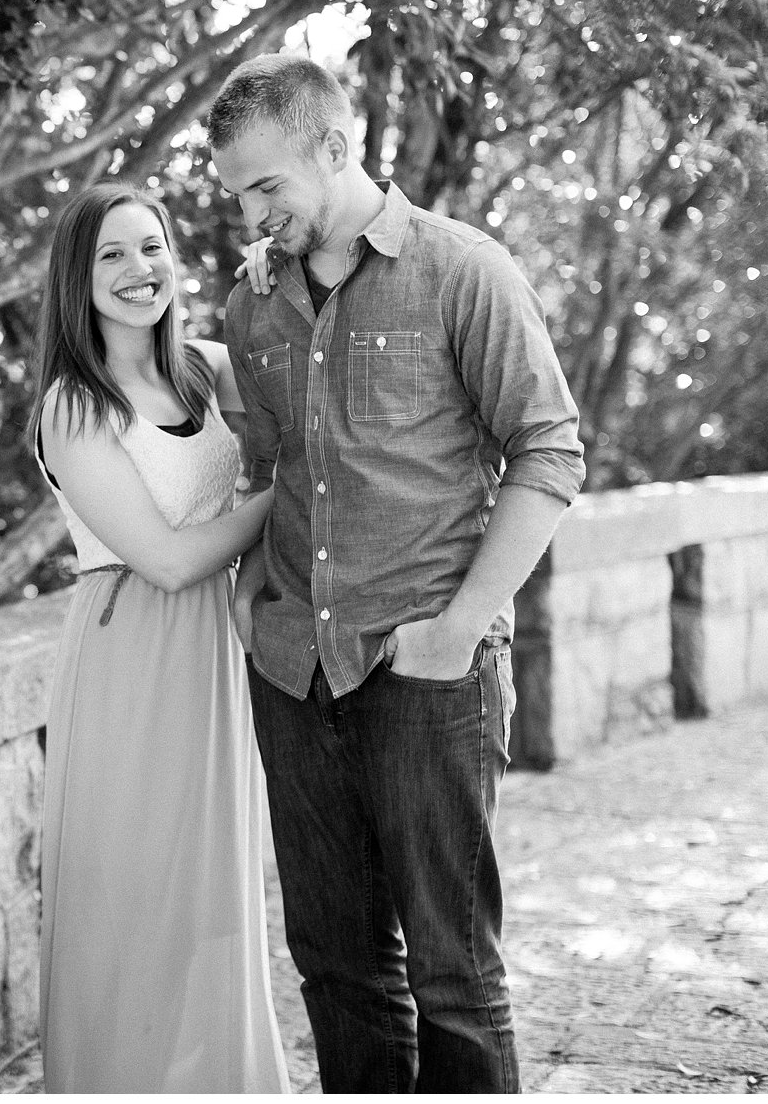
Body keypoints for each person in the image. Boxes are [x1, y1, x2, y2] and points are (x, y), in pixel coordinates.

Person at [207, 53, 586, 1093]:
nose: (249, 214)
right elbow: (273, 462)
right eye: (234, 193)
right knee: (334, 969)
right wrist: (248, 594)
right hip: (292, 670)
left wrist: (464, 622)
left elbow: (548, 451)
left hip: (428, 667)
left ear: (333, 149)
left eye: (263, 187)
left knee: (452, 974)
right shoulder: (254, 303)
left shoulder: (463, 269)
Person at [29, 182, 287, 1093]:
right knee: (133, 904)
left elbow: (301, 390)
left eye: (152, 247)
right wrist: (281, 505)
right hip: (131, 652)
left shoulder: (205, 370)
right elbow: (168, 561)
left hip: (216, 651)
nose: (140, 271)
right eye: (111, 255)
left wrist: (274, 277)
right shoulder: (75, 406)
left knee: (212, 903)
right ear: (79, 278)